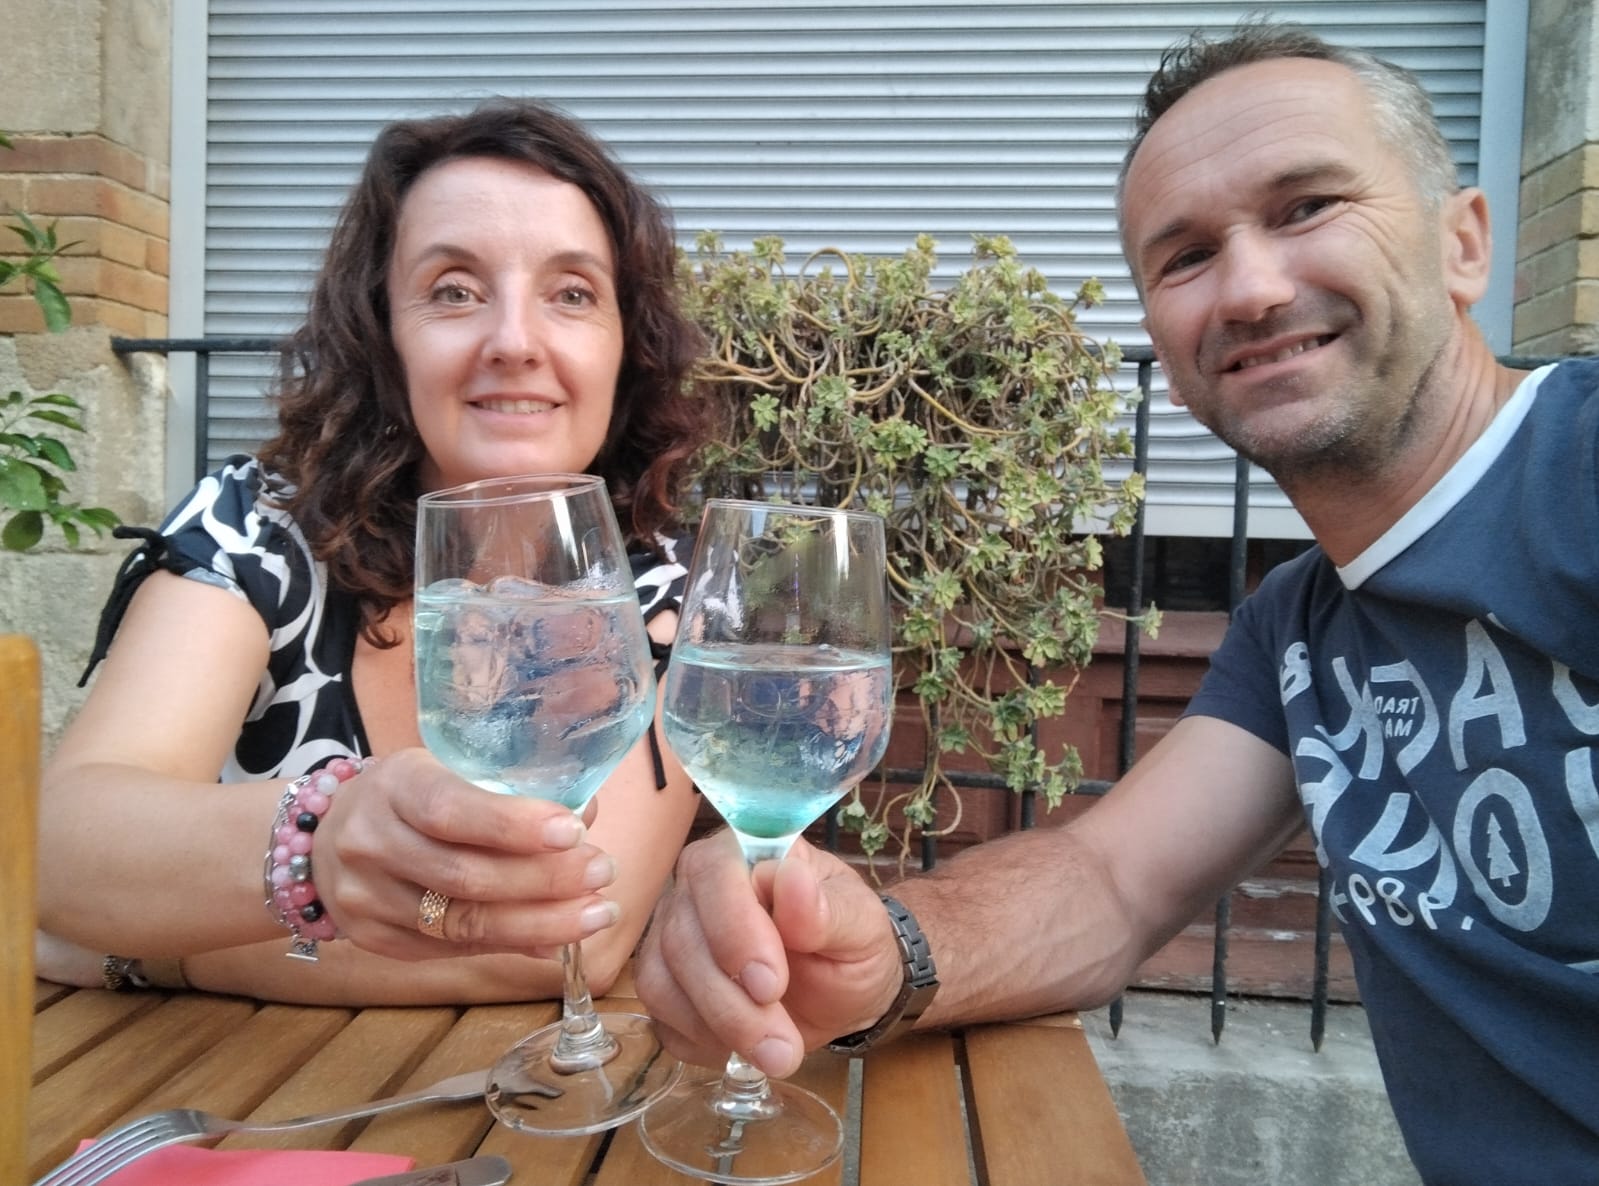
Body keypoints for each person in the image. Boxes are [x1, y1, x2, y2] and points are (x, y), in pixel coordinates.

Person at [634, 23, 1599, 1186]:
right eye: (1185, 256)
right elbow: (1111, 881)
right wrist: (884, 952)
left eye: (1307, 206)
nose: (1250, 288)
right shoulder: (1301, 630)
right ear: (1166, 352)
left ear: (1463, 243)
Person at [35, 97, 711, 1006]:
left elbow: (570, 936)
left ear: (625, 345)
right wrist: (318, 842)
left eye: (572, 294)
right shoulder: (258, 530)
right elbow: (68, 844)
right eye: (454, 290)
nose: (514, 341)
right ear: (382, 333)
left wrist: (150, 954)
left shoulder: (660, 588)